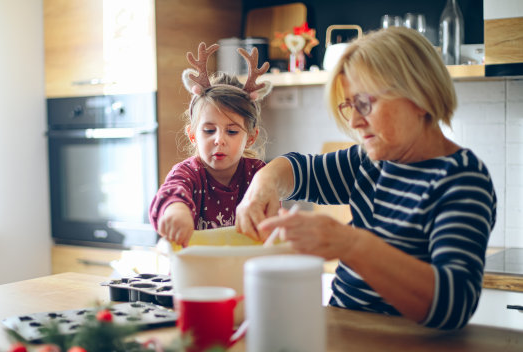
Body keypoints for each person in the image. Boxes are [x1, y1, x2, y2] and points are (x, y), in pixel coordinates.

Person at [235, 27, 497, 330]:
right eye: (349, 107)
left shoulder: (461, 180)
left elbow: (452, 304)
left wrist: (350, 244)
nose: (356, 122)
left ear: (420, 96)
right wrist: (261, 187)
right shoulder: (371, 161)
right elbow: (297, 169)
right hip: (346, 333)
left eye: (365, 103)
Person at [150, 43, 273, 247]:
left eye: (232, 131)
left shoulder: (257, 173)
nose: (219, 139)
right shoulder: (188, 173)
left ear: (250, 137)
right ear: (192, 135)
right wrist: (175, 209)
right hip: (196, 274)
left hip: (242, 273)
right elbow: (171, 192)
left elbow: (270, 207)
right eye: (208, 130)